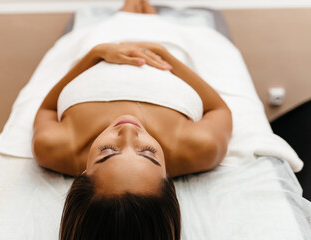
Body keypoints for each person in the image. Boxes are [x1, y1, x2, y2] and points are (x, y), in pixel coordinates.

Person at [32, 0, 232, 239]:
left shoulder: (52, 146)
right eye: (148, 153)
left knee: (127, 10)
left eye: (106, 152)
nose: (128, 131)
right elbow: (218, 109)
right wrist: (162, 54)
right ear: (168, 181)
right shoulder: (199, 147)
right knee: (152, 16)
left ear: (82, 177)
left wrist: (95, 54)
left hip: (103, 43)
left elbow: (47, 108)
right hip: (164, 47)